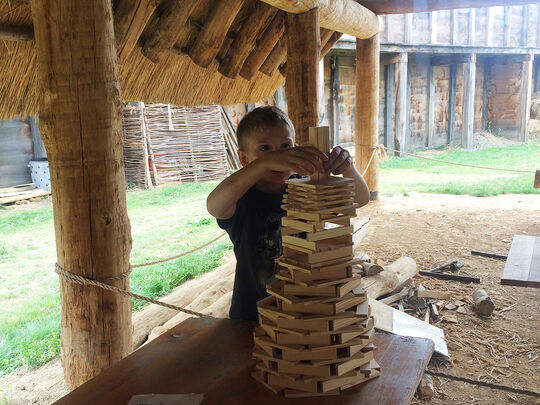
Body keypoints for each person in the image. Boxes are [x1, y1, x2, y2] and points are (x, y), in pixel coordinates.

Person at [206, 106, 370, 321]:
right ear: (244, 159)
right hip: (253, 313)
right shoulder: (241, 198)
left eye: (285, 146)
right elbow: (214, 206)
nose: (280, 155)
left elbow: (360, 198)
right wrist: (264, 164)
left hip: (307, 308)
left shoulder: (305, 189)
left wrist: (347, 167)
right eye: (265, 148)